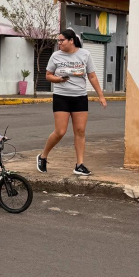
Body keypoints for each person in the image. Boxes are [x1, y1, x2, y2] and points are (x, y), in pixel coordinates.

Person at [36, 29, 107, 176]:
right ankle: (43, 156)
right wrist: (58, 79)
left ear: (71, 40)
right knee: (60, 132)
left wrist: (101, 95)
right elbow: (48, 75)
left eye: (62, 40)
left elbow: (92, 76)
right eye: (58, 40)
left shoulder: (85, 54)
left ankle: (79, 164)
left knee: (80, 131)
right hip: (61, 96)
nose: (59, 43)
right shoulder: (56, 56)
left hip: (80, 97)